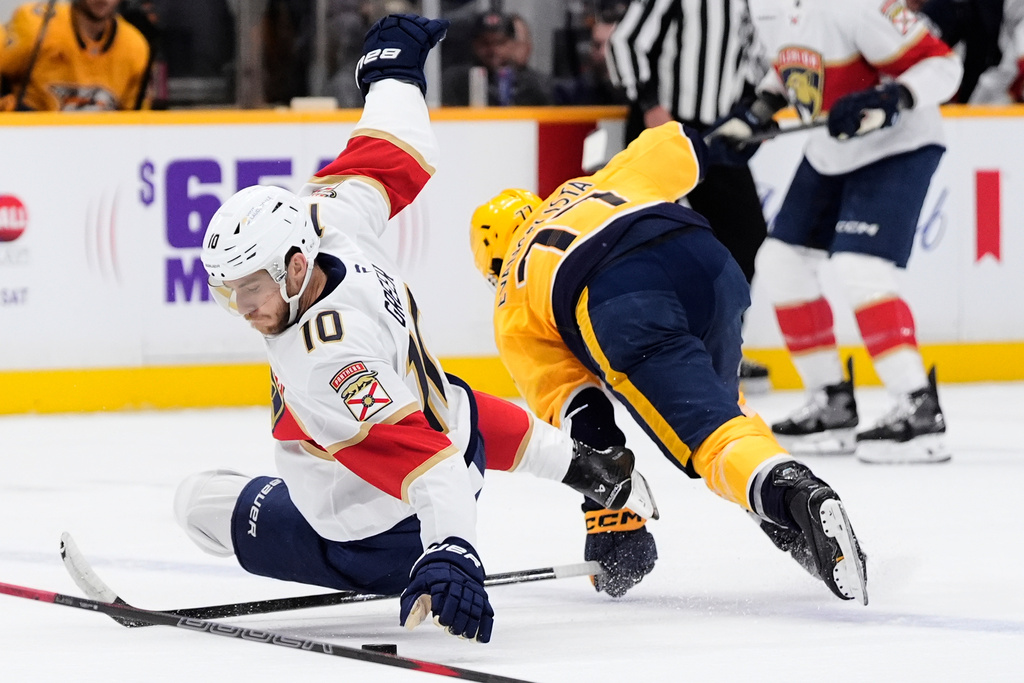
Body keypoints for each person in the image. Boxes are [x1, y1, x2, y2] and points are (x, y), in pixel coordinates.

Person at [176, 14, 657, 645]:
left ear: (295, 267)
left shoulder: (326, 364)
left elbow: (428, 468)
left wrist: (452, 553)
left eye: (252, 289)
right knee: (445, 399)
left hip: (377, 540)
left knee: (197, 503)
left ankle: (420, 550)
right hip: (459, 442)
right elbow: (394, 148)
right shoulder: (329, 220)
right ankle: (596, 471)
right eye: (228, 293)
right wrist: (391, 73)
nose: (243, 308)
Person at [469, 121, 868, 605]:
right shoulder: (596, 183)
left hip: (624, 296)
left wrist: (612, 520)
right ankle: (777, 508)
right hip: (708, 261)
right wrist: (728, 132)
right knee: (724, 412)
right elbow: (678, 145)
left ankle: (790, 494)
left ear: (493, 262)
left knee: (712, 440)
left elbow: (582, 415)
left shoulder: (511, 294)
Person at [709, 0, 962, 463]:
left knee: (860, 268)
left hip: (899, 145)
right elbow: (791, 65)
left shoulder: (857, 5)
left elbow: (943, 65)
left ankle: (918, 406)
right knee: (782, 263)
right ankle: (831, 402)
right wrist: (757, 112)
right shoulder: (763, 6)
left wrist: (892, 97)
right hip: (832, 149)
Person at [606, 0, 772, 393]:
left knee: (745, 235)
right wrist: (649, 104)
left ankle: (722, 349)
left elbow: (756, 60)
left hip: (718, 132)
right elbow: (625, 42)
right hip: (664, 130)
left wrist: (753, 111)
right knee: (642, 241)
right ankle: (630, 348)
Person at [0, 0, 150, 111]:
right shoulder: (36, 25)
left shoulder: (135, 47)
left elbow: (135, 122)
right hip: (32, 142)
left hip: (99, 146)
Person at [441, 11, 550, 106]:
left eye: (500, 43)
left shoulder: (536, 85)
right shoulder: (455, 82)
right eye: (485, 43)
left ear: (513, 44)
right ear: (474, 44)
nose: (493, 50)